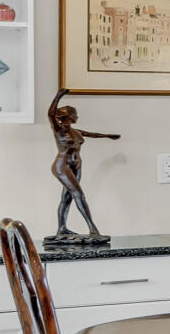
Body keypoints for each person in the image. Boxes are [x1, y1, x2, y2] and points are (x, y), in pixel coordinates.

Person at [45, 93, 120, 245]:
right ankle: (93, 230)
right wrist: (59, 95)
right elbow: (50, 113)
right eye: (75, 114)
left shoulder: (76, 131)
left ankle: (62, 229)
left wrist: (108, 136)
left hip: (76, 165)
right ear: (69, 116)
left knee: (67, 198)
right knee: (79, 194)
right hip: (62, 165)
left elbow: (93, 134)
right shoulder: (59, 129)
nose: (77, 116)